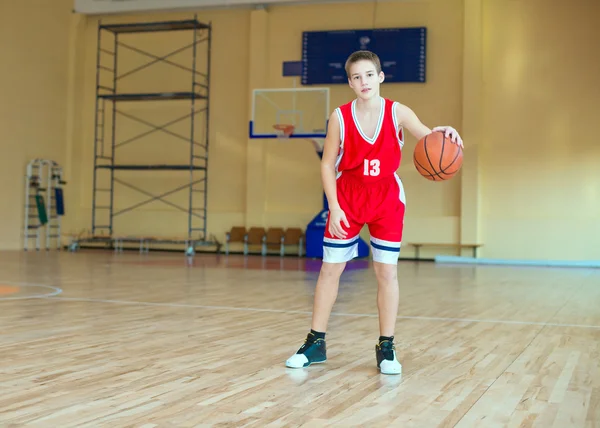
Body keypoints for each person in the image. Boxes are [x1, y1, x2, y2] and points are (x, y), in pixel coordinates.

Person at [285, 50, 464, 375]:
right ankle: (315, 342)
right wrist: (335, 207)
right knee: (329, 271)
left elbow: (428, 135)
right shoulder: (340, 116)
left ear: (380, 77)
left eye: (369, 75)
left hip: (386, 198)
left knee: (387, 273)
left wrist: (447, 131)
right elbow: (327, 164)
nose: (363, 81)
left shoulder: (397, 112)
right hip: (349, 196)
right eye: (356, 77)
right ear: (350, 82)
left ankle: (386, 346)